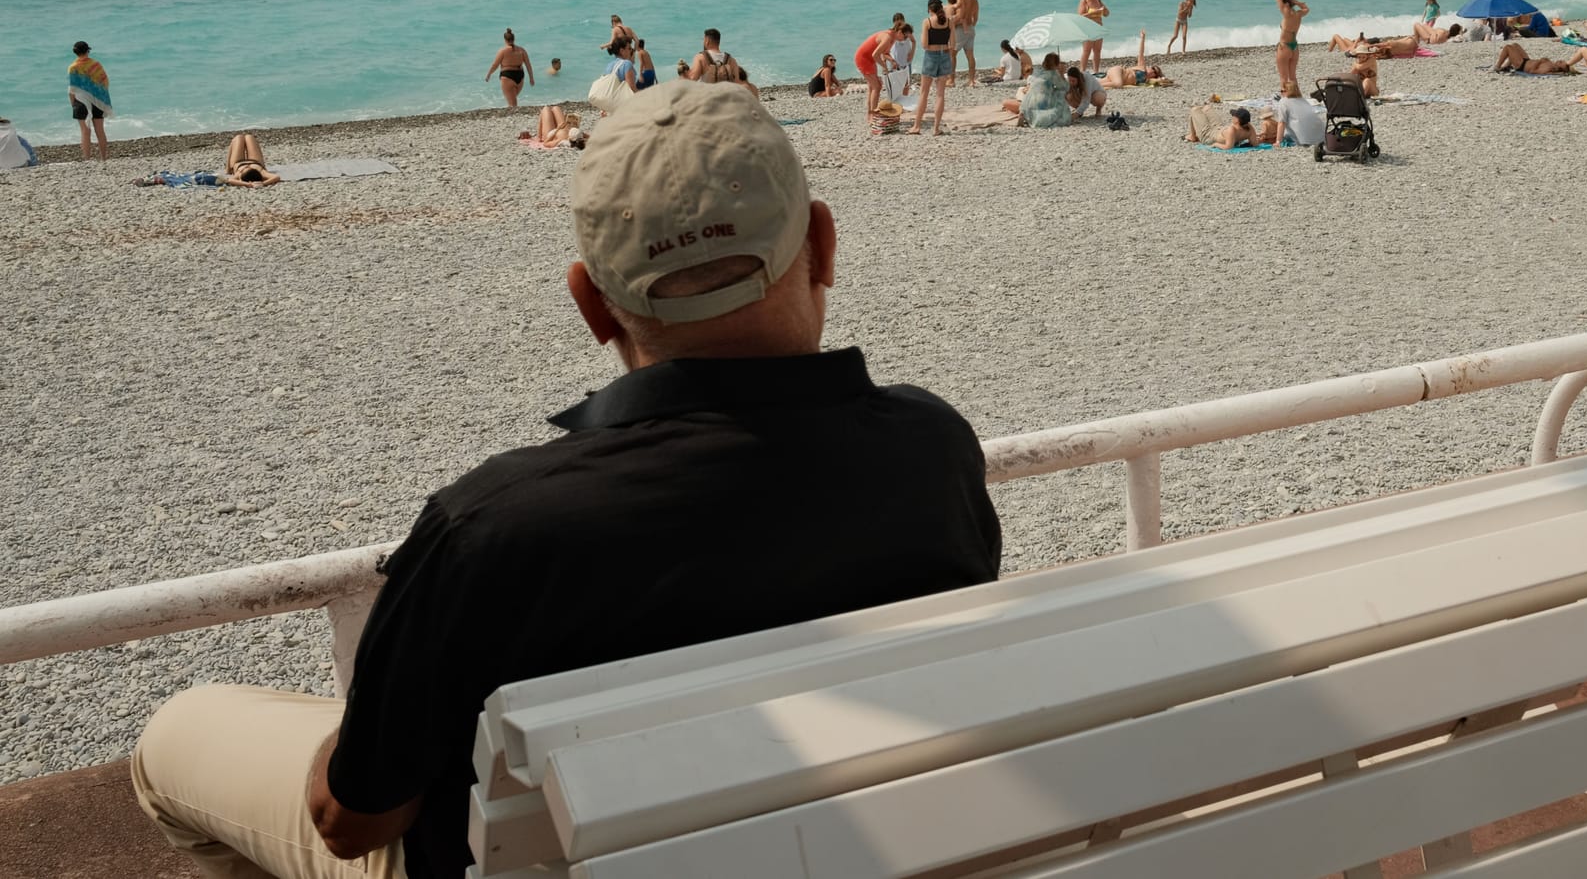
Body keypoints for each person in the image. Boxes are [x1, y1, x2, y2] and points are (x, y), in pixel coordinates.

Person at [130, 83, 1002, 879]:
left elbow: (352, 819)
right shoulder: (933, 449)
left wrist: (367, 728)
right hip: (848, 845)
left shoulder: (497, 529)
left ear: (590, 303)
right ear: (822, 242)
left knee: (174, 740)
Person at [909, 0, 955, 136]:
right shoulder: (949, 21)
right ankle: (936, 129)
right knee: (940, 94)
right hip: (945, 56)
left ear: (929, 9)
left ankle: (917, 126)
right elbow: (952, 43)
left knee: (924, 93)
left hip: (931, 56)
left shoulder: (927, 22)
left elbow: (924, 44)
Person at [67, 41, 113, 160]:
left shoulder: (73, 67)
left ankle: (87, 159)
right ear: (88, 51)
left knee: (85, 131)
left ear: (75, 53)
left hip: (80, 101)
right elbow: (105, 82)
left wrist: (73, 103)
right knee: (100, 130)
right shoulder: (96, 65)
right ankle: (103, 158)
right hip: (97, 100)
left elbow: (72, 88)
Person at [1011, 52, 1073, 128]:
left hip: (1029, 100)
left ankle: (1024, 114)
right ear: (1056, 64)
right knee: (1060, 93)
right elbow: (1064, 87)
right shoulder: (1053, 74)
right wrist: (1062, 74)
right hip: (1042, 101)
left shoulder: (1038, 71)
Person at [1100, 30, 1173, 88]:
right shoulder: (1142, 68)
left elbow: (1163, 81)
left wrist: (1162, 78)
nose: (1153, 72)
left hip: (1116, 77)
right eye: (1153, 69)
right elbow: (1141, 52)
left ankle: (1091, 87)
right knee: (1118, 84)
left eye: (1155, 73)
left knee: (1097, 82)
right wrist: (1143, 38)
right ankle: (1096, 88)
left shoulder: (1147, 80)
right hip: (1118, 71)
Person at [485, 29, 534, 107]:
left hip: (507, 77)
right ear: (514, 39)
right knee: (513, 101)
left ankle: (514, 116)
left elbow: (495, 65)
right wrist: (531, 78)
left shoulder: (503, 51)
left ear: (505, 40)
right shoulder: (521, 50)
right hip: (520, 76)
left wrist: (488, 75)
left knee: (512, 104)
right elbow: (528, 65)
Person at [1274, 80, 1325, 149]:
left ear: (1287, 92)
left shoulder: (1283, 101)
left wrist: (1278, 141)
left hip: (1303, 139)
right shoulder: (1302, 100)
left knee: (1283, 129)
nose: (1281, 94)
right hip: (1321, 136)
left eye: (1282, 91)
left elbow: (1281, 123)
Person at [218, 133, 283, 187]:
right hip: (255, 161)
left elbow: (229, 180)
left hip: (238, 162)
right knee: (249, 137)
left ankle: (228, 168)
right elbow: (277, 177)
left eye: (245, 169)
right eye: (249, 168)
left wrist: (247, 184)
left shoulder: (239, 174)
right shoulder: (262, 173)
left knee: (238, 137)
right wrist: (263, 183)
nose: (247, 167)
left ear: (241, 178)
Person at [853, 28, 893, 116]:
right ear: (900, 33)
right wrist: (885, 67)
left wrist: (893, 61)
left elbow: (884, 53)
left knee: (873, 87)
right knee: (877, 87)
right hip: (864, 59)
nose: (905, 39)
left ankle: (870, 115)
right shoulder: (887, 37)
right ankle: (873, 115)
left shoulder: (891, 37)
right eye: (905, 36)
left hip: (870, 59)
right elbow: (875, 54)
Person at [1275, 0, 1308, 91]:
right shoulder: (1298, 14)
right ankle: (1297, 98)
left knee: (1283, 78)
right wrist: (1297, 2)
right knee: (1292, 77)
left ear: (1285, 5)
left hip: (1284, 47)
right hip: (1294, 47)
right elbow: (1306, 9)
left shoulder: (1287, 14)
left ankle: (1285, 100)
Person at [952, 0, 980, 87]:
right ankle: (971, 80)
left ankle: (951, 80)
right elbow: (976, 17)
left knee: (952, 54)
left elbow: (959, 16)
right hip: (971, 28)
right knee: (970, 55)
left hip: (960, 30)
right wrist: (970, 26)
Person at [518, 106, 586, 149]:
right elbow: (592, 138)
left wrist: (558, 129)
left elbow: (546, 143)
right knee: (556, 108)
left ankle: (539, 137)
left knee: (546, 109)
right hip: (563, 127)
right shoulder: (578, 134)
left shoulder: (560, 141)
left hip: (550, 133)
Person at [1078, 0, 1109, 72]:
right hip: (1088, 29)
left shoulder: (1098, 0)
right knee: (1087, 51)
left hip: (1098, 28)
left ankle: (1096, 71)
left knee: (1097, 50)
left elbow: (1107, 14)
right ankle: (1082, 71)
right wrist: (1094, 13)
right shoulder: (1084, 1)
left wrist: (1104, 10)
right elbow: (1080, 16)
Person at [1494, 43, 1574, 75]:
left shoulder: (1550, 68)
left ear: (1562, 68)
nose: (1562, 60)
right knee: (1515, 45)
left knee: (1507, 47)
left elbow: (1533, 71)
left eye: (1562, 62)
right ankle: (1506, 66)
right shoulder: (1552, 64)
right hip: (1527, 61)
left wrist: (1539, 61)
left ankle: (1497, 67)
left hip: (1522, 65)